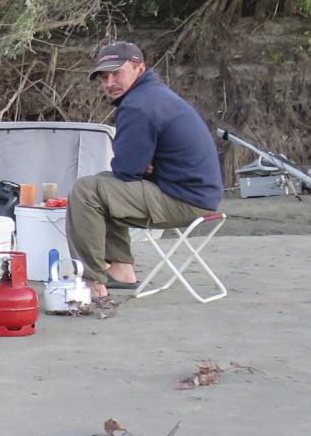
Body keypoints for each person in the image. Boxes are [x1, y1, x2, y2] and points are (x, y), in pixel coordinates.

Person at [66, 42, 223, 299]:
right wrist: (142, 167)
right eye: (104, 77)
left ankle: (91, 281)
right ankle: (121, 269)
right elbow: (129, 169)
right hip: (198, 195)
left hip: (185, 200)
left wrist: (141, 167)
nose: (110, 82)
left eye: (117, 73)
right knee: (104, 183)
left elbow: (126, 169)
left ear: (139, 68)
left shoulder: (138, 105)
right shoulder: (152, 95)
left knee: (86, 191)